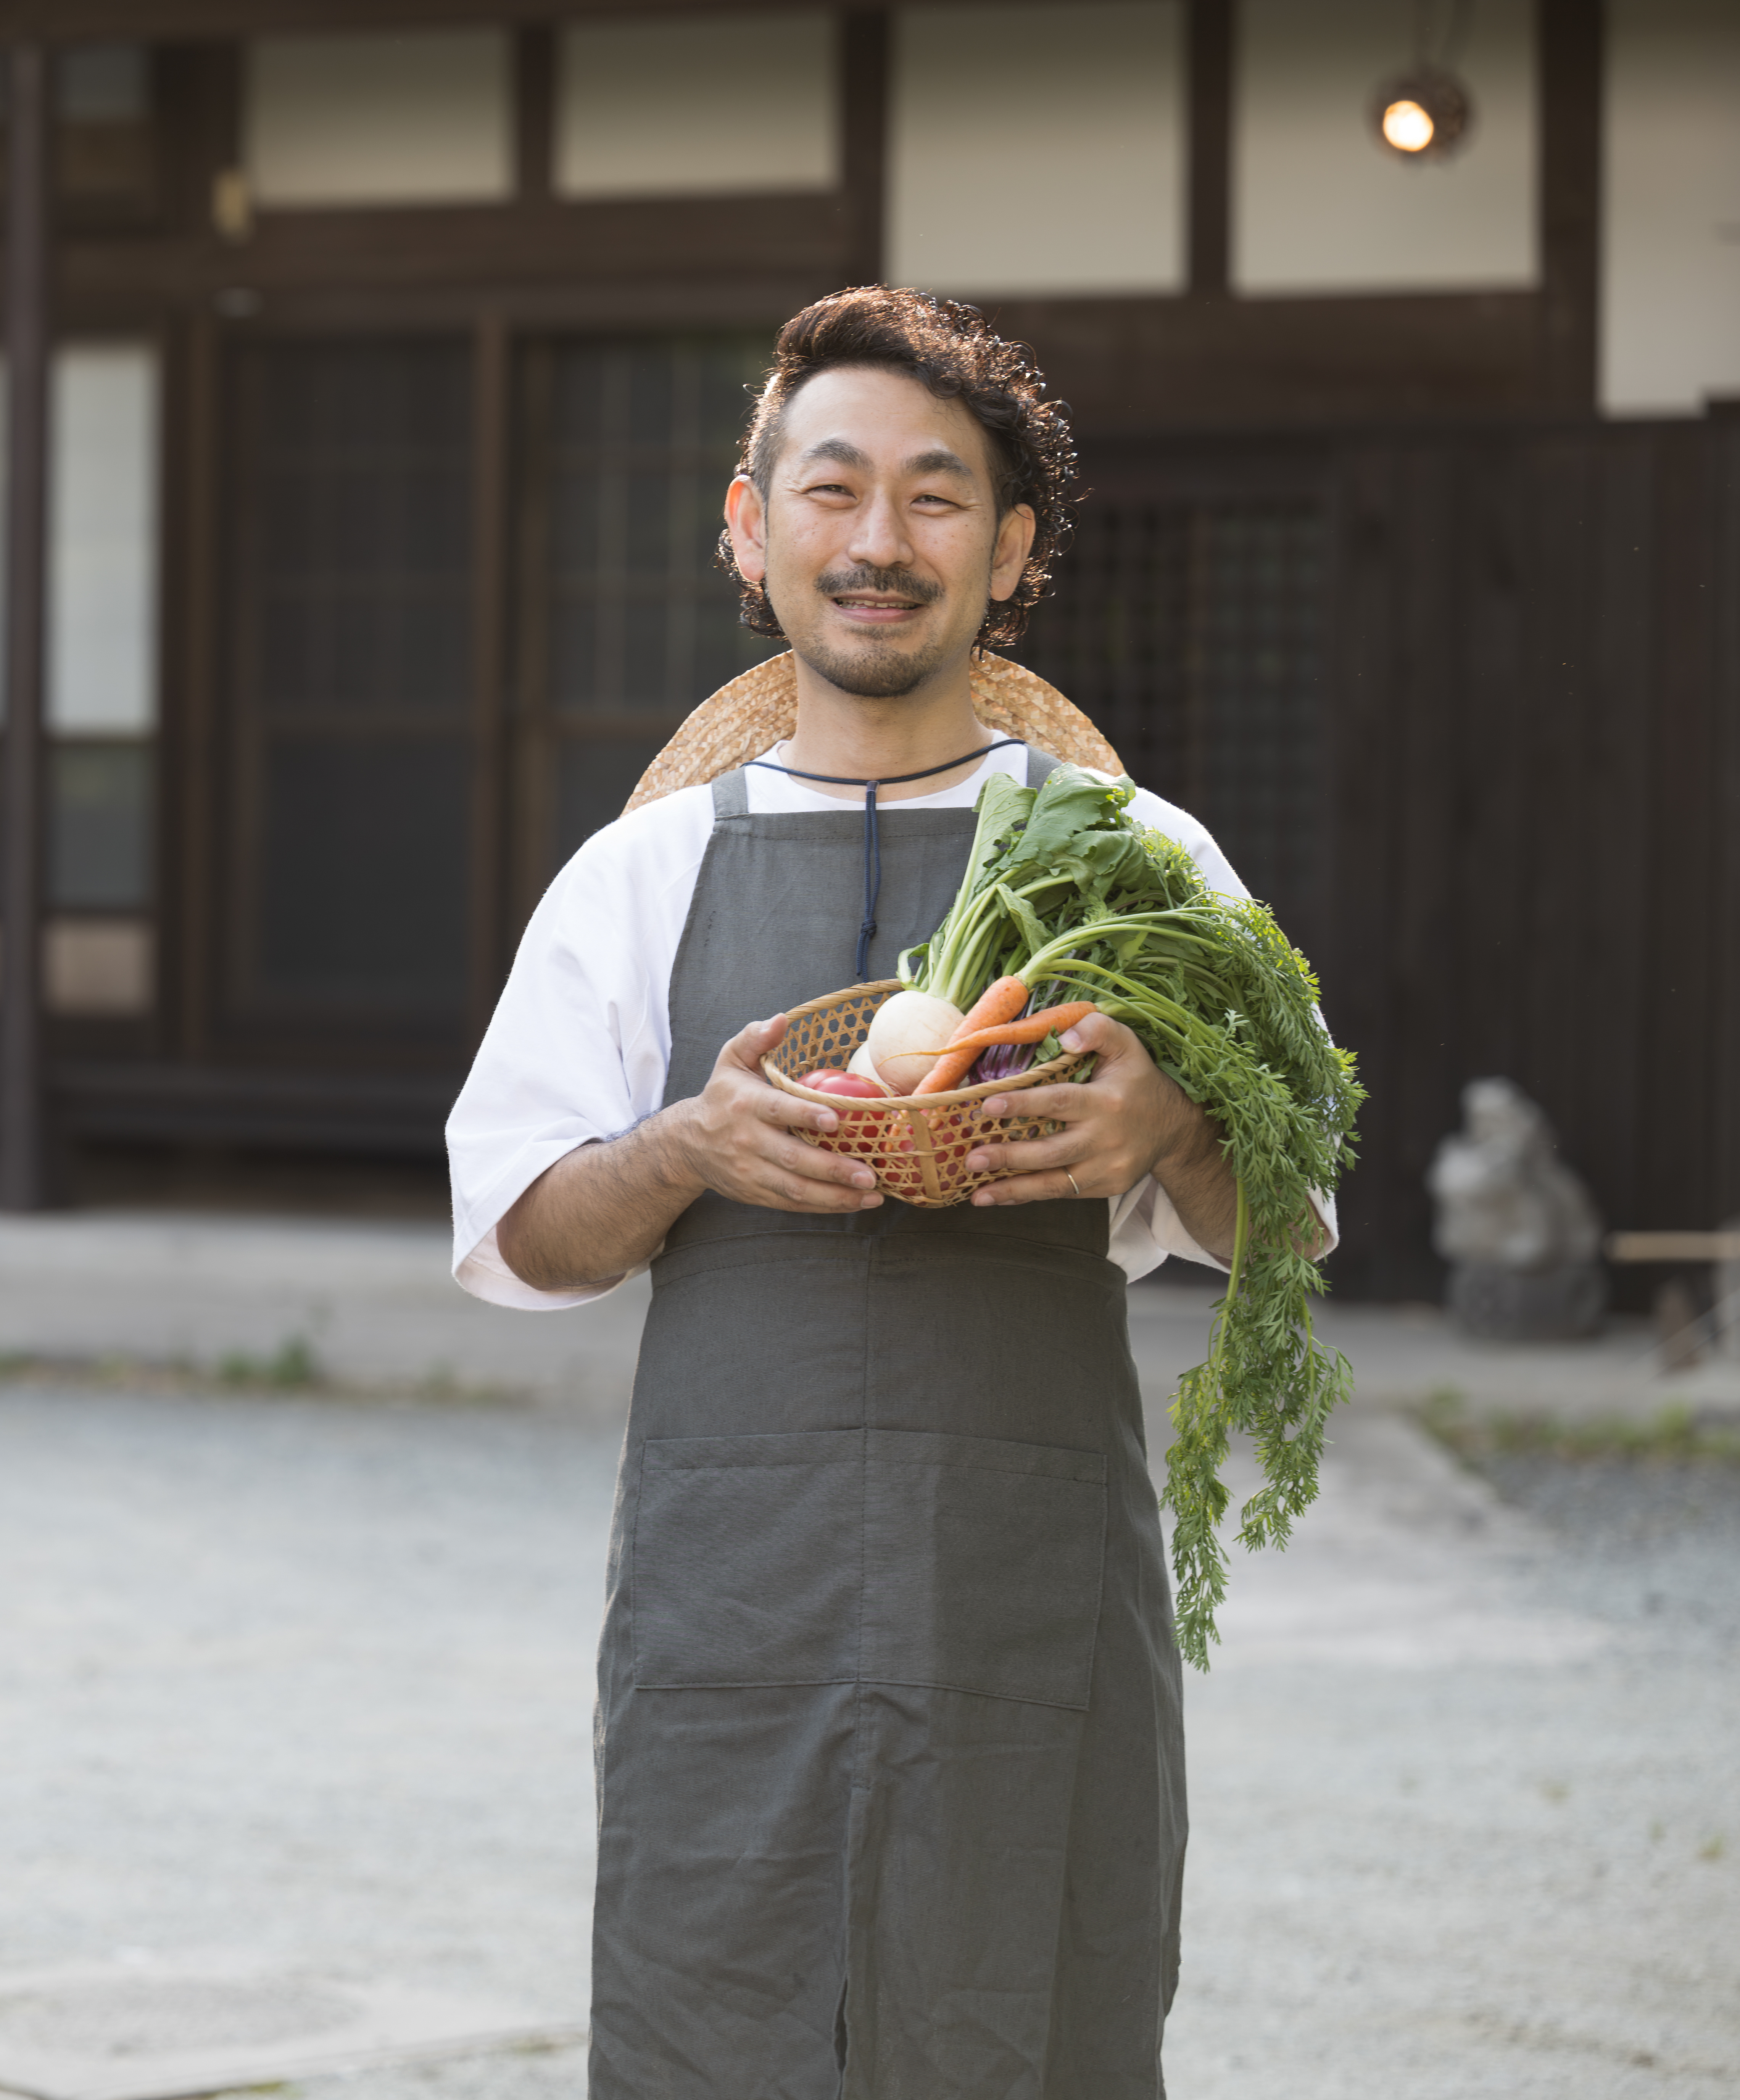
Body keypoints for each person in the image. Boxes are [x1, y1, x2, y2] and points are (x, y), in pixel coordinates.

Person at [444, 287, 1338, 2099]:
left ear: (1009, 552)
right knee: (715, 2031)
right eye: (833, 487)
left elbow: (1294, 1224)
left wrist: (1172, 1121)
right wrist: (686, 1147)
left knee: (1037, 2025)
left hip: (1029, 1591)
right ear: (750, 524)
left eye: (936, 497)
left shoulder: (1144, 860)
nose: (878, 541)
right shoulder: (640, 873)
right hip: (734, 1598)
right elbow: (521, 1232)